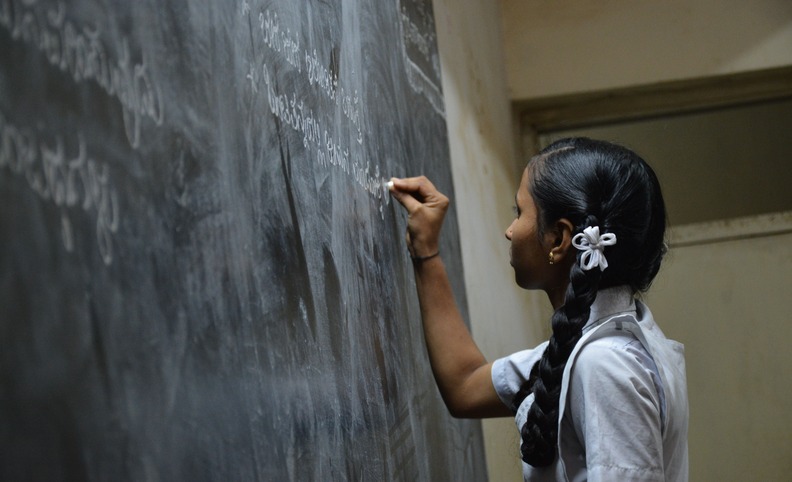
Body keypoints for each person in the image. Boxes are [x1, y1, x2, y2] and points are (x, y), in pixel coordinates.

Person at [388, 137, 688, 481]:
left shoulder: (605, 363)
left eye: (519, 212)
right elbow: (466, 386)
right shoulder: (598, 345)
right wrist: (426, 251)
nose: (509, 231)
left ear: (560, 240)